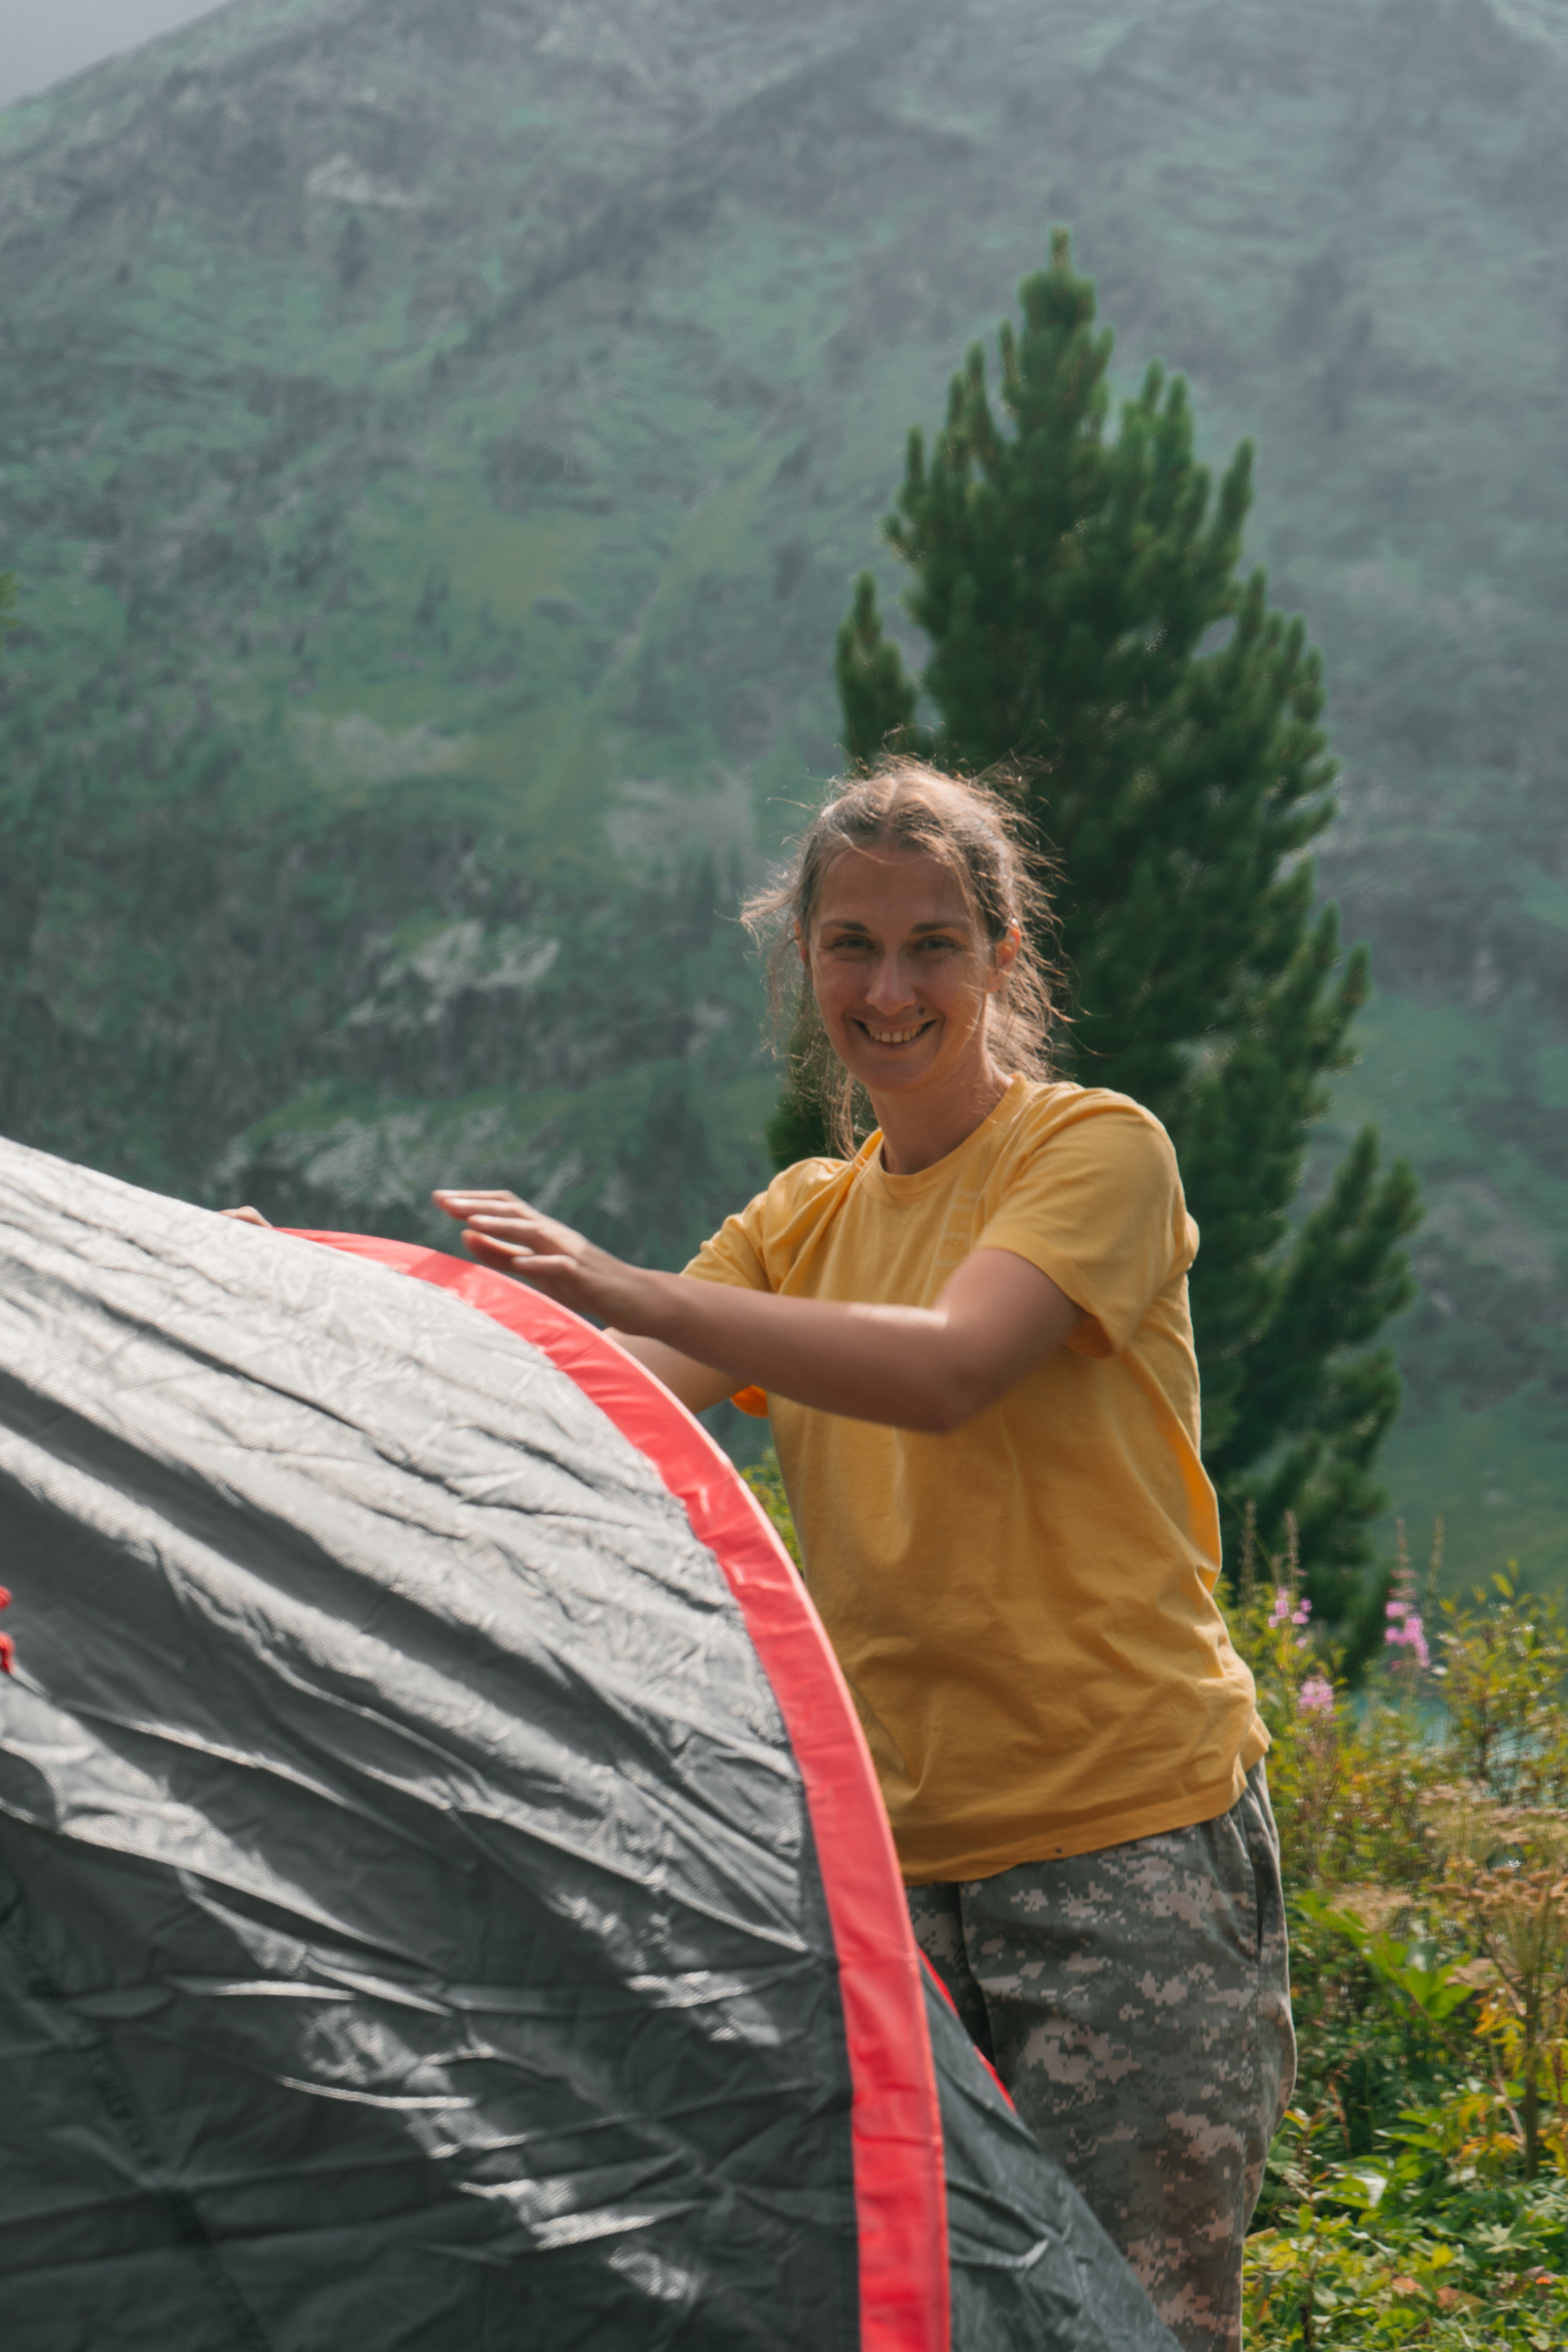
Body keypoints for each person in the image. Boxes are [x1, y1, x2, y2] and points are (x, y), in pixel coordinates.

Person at [434, 759, 1293, 2352]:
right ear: (802, 958)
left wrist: (629, 1285)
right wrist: (275, 1317)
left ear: (1001, 954)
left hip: (1123, 1847)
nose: (888, 990)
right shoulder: (798, 1220)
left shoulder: (1092, 1152)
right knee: (915, 2319)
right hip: (890, 1882)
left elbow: (951, 1369)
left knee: (1133, 2328)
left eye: (930, 946)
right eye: (849, 946)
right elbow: (568, 1404)